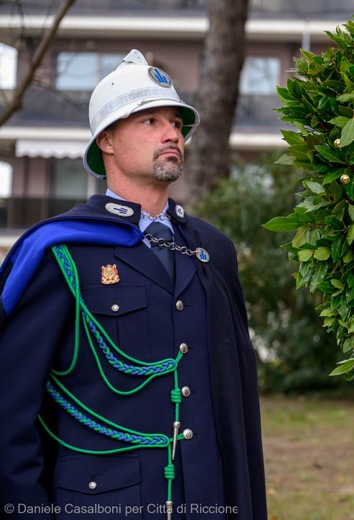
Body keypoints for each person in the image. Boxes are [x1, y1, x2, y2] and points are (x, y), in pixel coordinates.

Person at [0, 50, 267, 519]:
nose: (172, 134)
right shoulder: (61, 252)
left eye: (176, 124)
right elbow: (10, 410)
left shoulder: (213, 250)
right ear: (106, 139)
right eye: (149, 121)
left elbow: (237, 404)